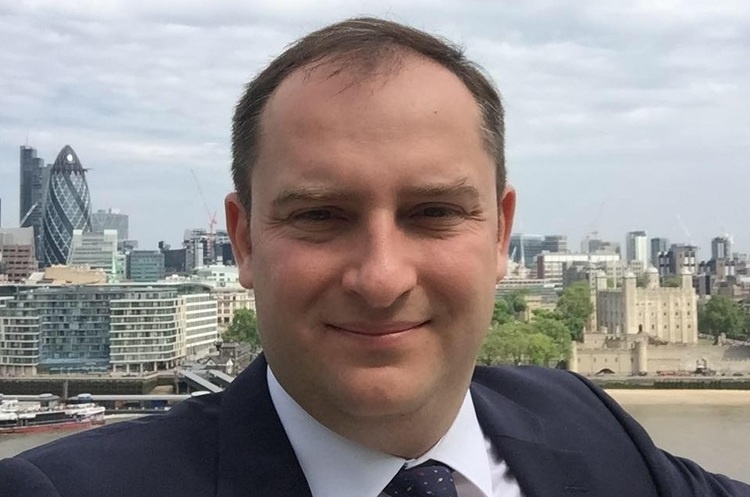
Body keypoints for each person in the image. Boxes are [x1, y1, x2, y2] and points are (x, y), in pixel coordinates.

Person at [1, 17, 748, 497]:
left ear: (500, 236)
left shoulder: (585, 419)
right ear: (245, 241)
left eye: (434, 213)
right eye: (320, 216)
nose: (383, 278)